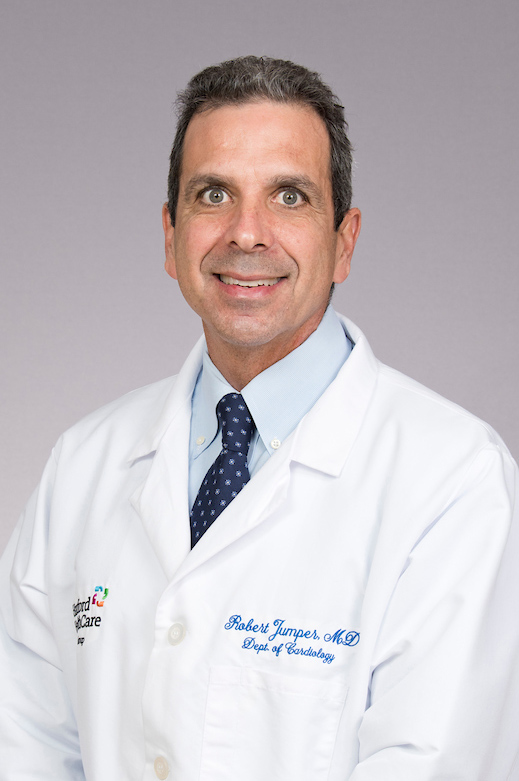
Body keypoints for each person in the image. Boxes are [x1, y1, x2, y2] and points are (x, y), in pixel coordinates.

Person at [1, 56, 518, 781]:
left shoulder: (454, 481)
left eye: (289, 196)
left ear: (343, 241)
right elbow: (23, 742)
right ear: (170, 234)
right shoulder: (83, 465)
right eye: (213, 194)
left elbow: (432, 764)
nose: (246, 233)